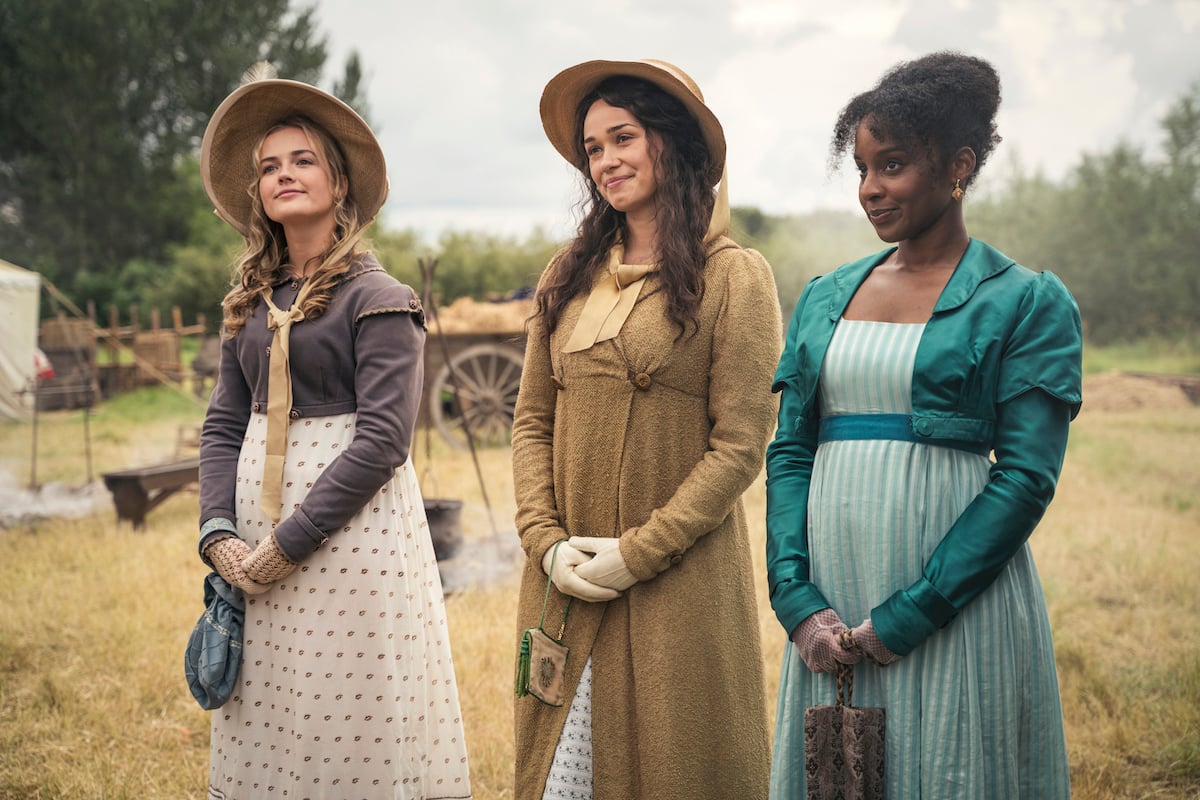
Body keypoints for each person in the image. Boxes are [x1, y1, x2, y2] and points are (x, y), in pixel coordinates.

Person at [766, 51, 1081, 798]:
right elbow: (788, 451)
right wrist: (795, 598)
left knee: (946, 765)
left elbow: (1027, 477)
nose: (872, 190)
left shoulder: (1026, 301)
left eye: (894, 165)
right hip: (831, 591)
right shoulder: (823, 298)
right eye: (863, 169)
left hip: (952, 600)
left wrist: (912, 613)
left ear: (959, 167)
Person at [195, 65, 471, 799]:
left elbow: (383, 441)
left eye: (303, 159)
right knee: (274, 705)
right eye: (268, 167)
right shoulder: (249, 302)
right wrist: (220, 530)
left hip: (352, 536)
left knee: (344, 702)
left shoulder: (380, 299)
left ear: (339, 184)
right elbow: (224, 421)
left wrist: (288, 545)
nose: (283, 175)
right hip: (251, 532)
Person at [511, 59, 782, 800]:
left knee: (672, 769)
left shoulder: (736, 277)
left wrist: (639, 553)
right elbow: (532, 419)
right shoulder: (565, 275)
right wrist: (544, 541)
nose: (605, 161)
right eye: (592, 148)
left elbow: (741, 442)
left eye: (622, 138)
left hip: (675, 580)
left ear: (672, 140)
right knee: (563, 775)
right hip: (567, 579)